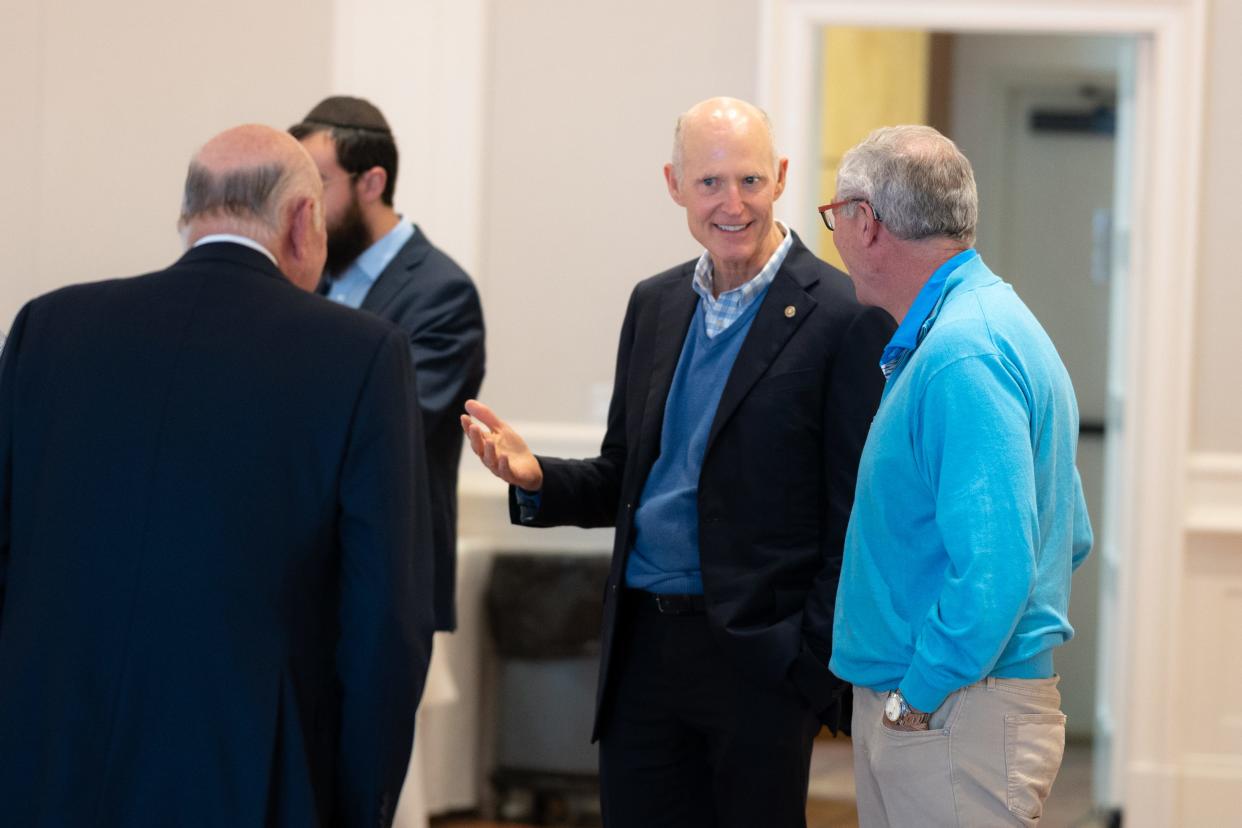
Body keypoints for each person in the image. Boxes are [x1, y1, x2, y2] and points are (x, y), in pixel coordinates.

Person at [461, 97, 894, 828]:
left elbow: (851, 517)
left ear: (783, 176)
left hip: (760, 661)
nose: (733, 204)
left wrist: (807, 667)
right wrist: (538, 479)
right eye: (710, 183)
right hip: (641, 652)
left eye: (751, 181)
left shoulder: (843, 314)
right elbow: (624, 474)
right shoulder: (655, 304)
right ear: (674, 184)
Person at [0, 124, 435, 827]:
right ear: (302, 221)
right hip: (249, 772)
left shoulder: (47, 328)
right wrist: (362, 803)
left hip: (46, 759)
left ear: (191, 213)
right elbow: (383, 619)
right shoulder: (360, 354)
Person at [824, 125, 1093, 827]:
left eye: (835, 218)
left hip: (952, 712)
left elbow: (998, 570)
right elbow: (1072, 534)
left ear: (866, 222)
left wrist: (917, 698)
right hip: (950, 708)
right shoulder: (978, 327)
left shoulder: (963, 352)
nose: (835, 238)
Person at [291, 96, 485, 632]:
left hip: (383, 581)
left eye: (318, 186)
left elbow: (397, 429)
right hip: (303, 576)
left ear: (371, 184)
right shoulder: (309, 277)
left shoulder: (440, 291)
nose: (302, 206)